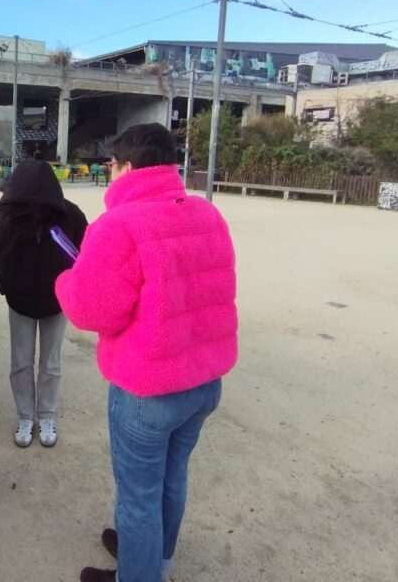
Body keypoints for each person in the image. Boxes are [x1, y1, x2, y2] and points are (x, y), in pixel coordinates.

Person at [54, 123, 238, 582]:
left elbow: (92, 310)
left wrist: (67, 280)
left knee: (138, 495)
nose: (109, 171)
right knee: (173, 477)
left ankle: (138, 574)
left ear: (128, 167)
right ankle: (157, 558)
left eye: (112, 164)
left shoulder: (119, 224)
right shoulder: (207, 214)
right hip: (203, 381)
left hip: (148, 387)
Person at [0, 159, 87, 448]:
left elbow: (84, 255)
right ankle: (25, 415)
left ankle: (46, 414)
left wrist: (72, 290)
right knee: (20, 362)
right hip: (19, 301)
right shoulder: (10, 216)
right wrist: (6, 287)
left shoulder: (70, 215)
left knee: (51, 363)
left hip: (56, 302)